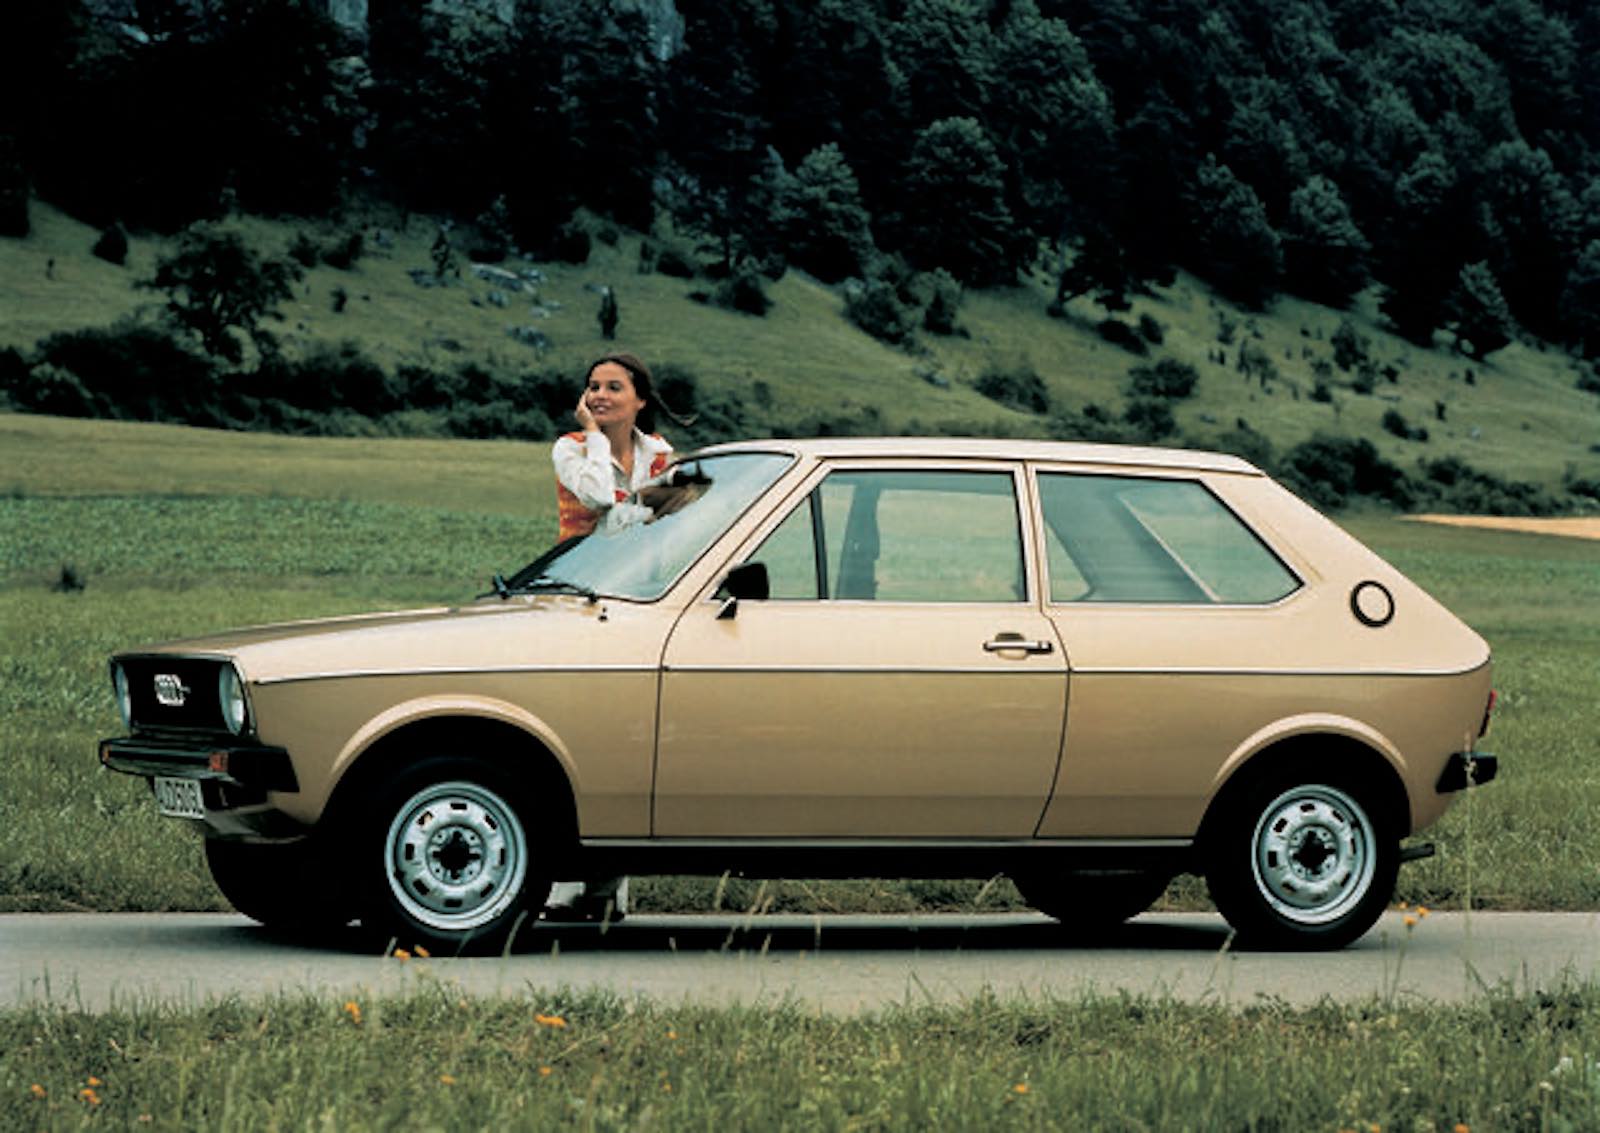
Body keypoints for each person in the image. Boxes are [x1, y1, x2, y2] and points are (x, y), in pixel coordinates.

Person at [545, 352, 678, 923]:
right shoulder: (572, 448)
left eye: (613, 388)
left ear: (640, 400)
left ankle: (604, 893)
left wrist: (643, 511)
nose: (599, 395)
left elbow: (674, 517)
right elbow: (601, 499)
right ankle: (563, 888)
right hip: (581, 593)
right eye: (592, 387)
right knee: (576, 732)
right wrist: (599, 439)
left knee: (623, 734)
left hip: (643, 597)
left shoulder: (661, 454)